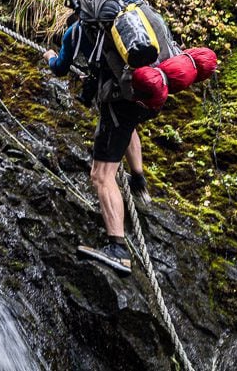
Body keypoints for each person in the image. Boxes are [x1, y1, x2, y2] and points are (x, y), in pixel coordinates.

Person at [43, 17, 156, 275]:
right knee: (127, 126)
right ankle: (138, 179)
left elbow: (60, 68)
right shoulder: (125, 27)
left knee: (102, 176)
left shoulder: (75, 32)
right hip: (145, 92)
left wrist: (50, 56)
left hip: (119, 103)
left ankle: (117, 249)